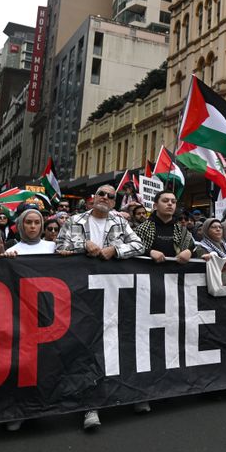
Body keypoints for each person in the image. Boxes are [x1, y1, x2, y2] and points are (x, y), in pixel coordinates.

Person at [55, 185, 143, 431]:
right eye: (101, 194)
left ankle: (130, 396)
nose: (105, 198)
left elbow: (138, 245)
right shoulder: (75, 220)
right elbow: (59, 247)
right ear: (93, 198)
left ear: (115, 202)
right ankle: (89, 406)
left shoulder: (121, 223)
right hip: (81, 295)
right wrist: (84, 245)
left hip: (114, 294)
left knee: (117, 345)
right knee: (87, 349)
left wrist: (115, 249)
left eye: (110, 196)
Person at [137, 191, 193, 264]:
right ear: (155, 206)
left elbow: (195, 249)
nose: (170, 203)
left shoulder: (182, 230)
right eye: (165, 201)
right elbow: (131, 248)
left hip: (175, 273)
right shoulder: (142, 229)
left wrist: (189, 252)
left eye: (173, 202)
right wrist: (149, 252)